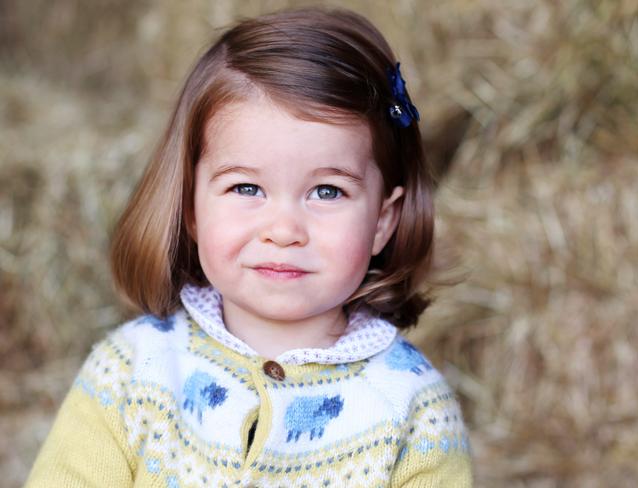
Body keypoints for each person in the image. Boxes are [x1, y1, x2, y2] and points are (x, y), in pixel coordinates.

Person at [26, 7, 472, 487]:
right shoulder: (131, 371)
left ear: (383, 221)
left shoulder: (413, 409)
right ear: (192, 208)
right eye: (246, 188)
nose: (283, 231)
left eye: (327, 191)